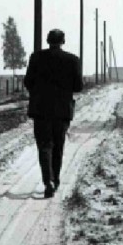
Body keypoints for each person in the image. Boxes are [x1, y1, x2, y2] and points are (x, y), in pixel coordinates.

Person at [23, 29, 83, 198]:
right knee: (58, 146)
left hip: (40, 109)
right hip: (62, 110)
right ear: (63, 41)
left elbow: (28, 82)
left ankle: (47, 180)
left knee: (44, 146)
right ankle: (55, 179)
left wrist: (38, 93)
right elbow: (78, 86)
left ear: (48, 40)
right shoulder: (72, 60)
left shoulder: (36, 58)